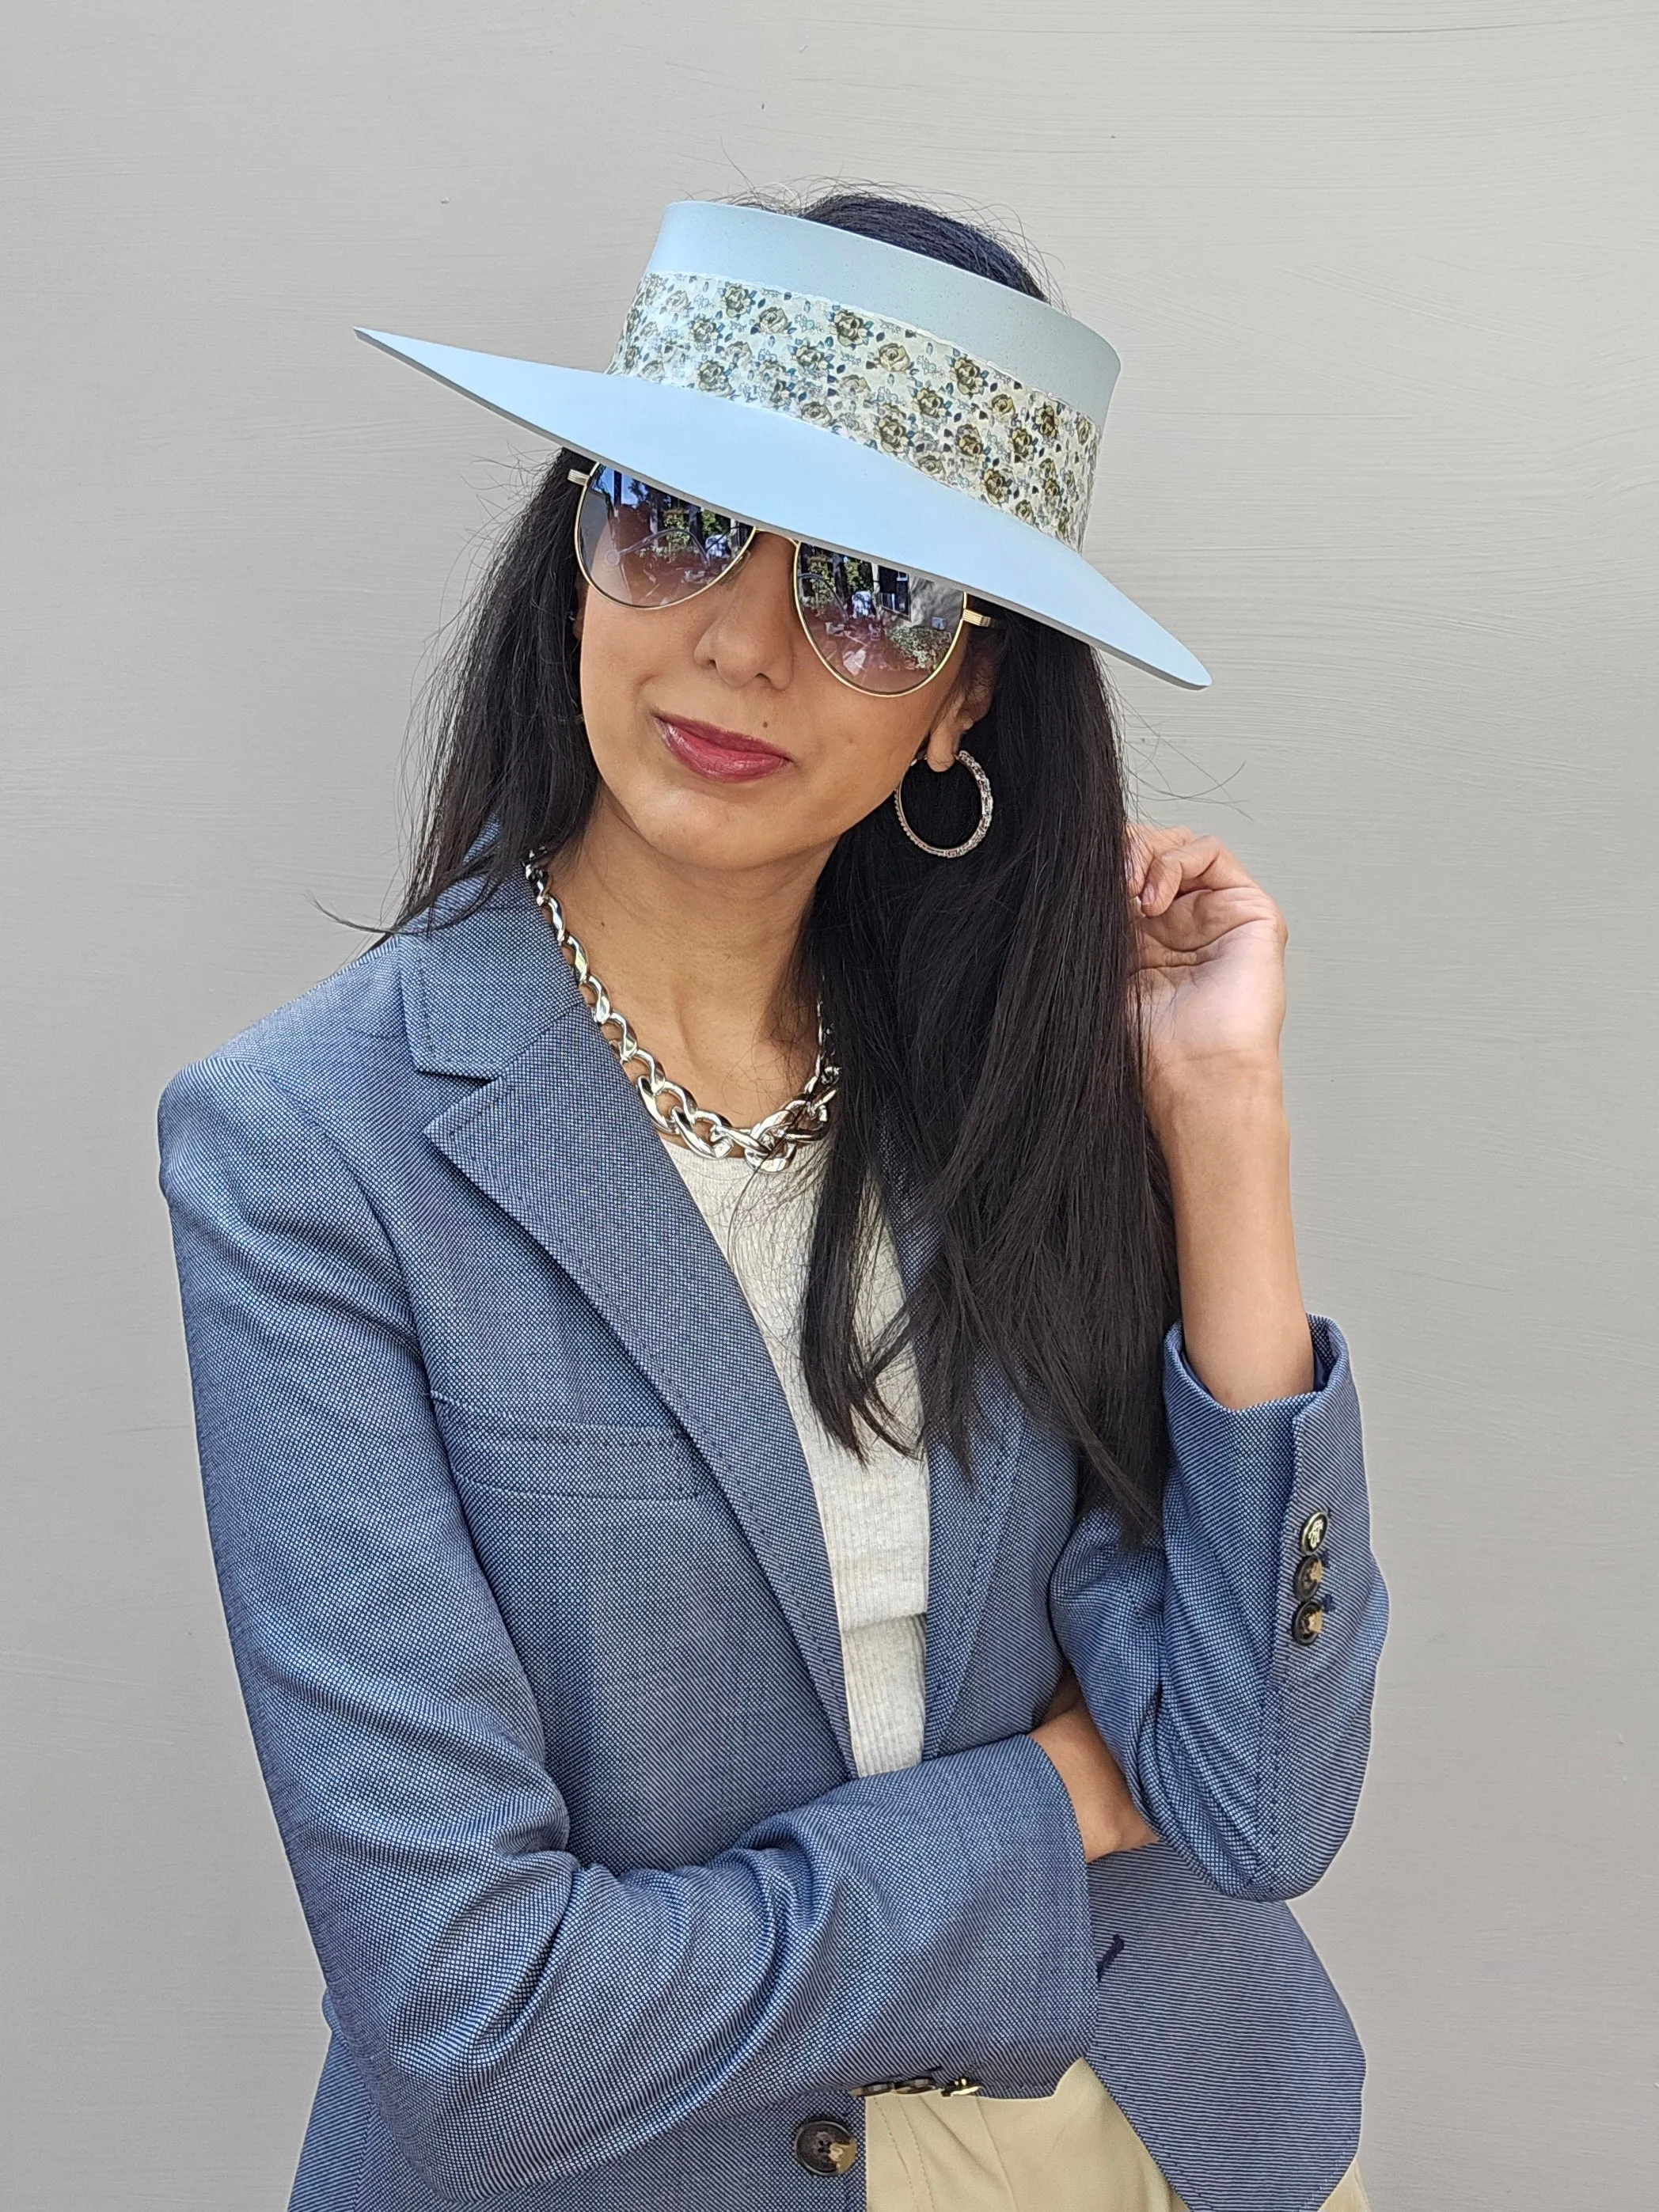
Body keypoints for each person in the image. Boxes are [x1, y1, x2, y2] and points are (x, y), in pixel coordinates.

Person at [158, 190, 1388, 2212]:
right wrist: (1049, 1807)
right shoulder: (313, 1157)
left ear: (966, 695)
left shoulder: (1000, 1082)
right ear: (575, 536)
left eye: (871, 590)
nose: (735, 640)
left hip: (1139, 2127)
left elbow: (1251, 1794)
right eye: (672, 518)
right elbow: (481, 2018)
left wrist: (1220, 1117)